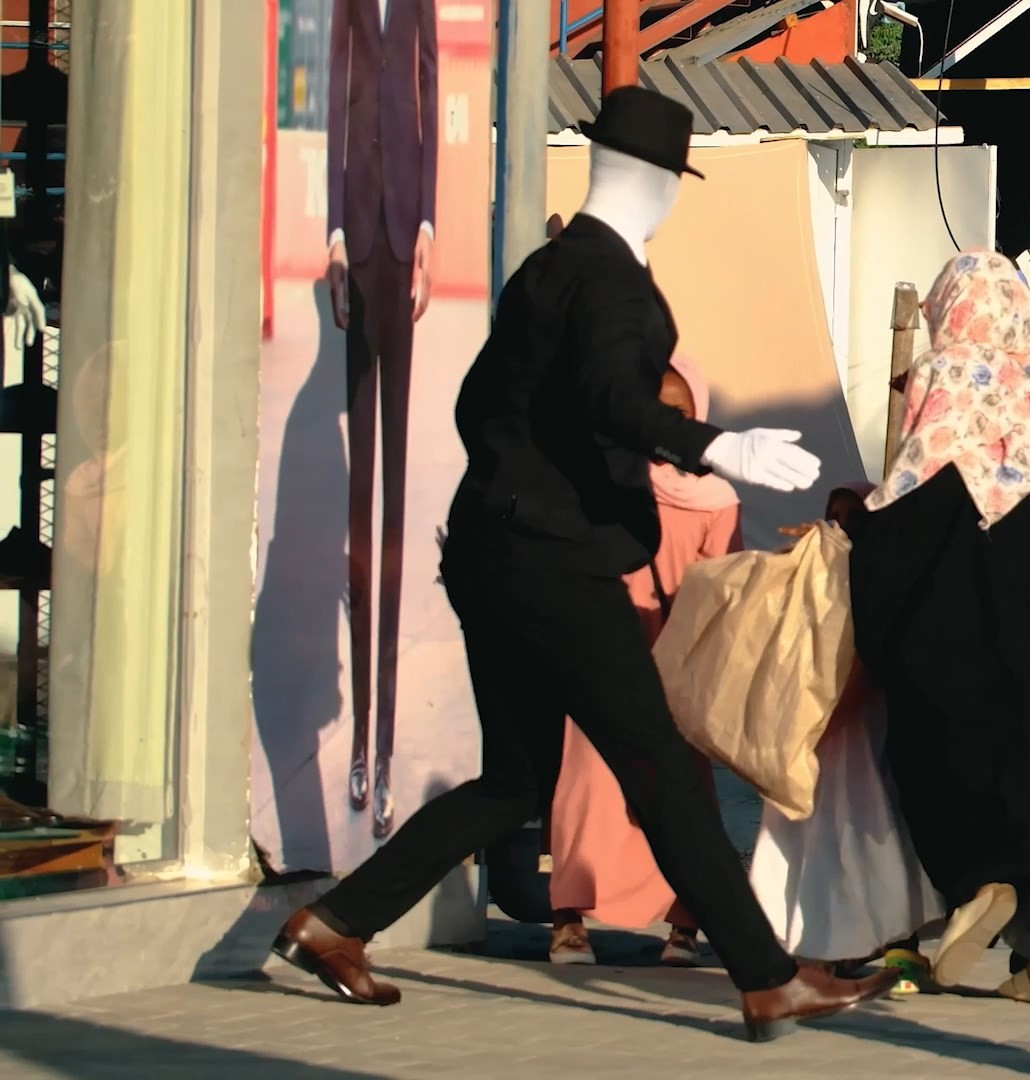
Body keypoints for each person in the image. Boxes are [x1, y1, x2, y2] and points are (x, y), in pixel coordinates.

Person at [271, 86, 897, 1041]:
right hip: (555, 565)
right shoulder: (615, 286)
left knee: (515, 782)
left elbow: (479, 405)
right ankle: (767, 980)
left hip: (487, 551)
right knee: (661, 768)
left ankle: (335, 922)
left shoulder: (543, 273)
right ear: (661, 184)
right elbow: (612, 399)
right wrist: (714, 446)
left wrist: (522, 472)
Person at [850, 250, 1030, 1008]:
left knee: (940, 760)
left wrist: (853, 537)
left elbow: (901, 536)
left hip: (958, 642)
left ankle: (975, 887)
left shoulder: (949, 388)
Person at [546, 352, 738, 968]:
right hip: (601, 645)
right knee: (586, 779)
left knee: (681, 787)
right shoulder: (604, 476)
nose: (666, 424)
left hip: (677, 661)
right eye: (655, 410)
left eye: (679, 412)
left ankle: (684, 924)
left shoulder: (717, 497)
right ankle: (569, 919)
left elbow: (722, 584)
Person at [749, 483, 944, 997]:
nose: (842, 524)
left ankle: (897, 945)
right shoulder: (818, 568)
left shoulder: (891, 574)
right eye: (834, 515)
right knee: (817, 834)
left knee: (876, 828)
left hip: (866, 723)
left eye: (855, 515)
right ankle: (828, 941)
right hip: (819, 723)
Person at [327, 0, 440, 838]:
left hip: (404, 240)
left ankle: (390, 746)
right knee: (360, 499)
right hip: (357, 237)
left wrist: (430, 220)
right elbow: (333, 97)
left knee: (395, 499)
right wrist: (333, 228)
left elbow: (428, 95)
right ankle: (362, 743)